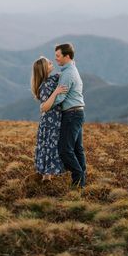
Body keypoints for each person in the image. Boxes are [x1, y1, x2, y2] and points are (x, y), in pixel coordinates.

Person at [52, 43, 87, 188]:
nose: (56, 59)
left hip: (71, 114)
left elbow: (60, 98)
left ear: (67, 56)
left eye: (58, 56)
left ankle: (78, 177)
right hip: (78, 112)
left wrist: (46, 104)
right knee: (78, 149)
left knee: (65, 150)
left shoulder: (67, 73)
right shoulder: (72, 69)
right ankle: (81, 183)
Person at [31, 56, 68, 180]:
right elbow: (45, 107)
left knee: (53, 147)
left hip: (56, 121)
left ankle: (48, 179)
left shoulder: (52, 79)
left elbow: (65, 73)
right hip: (49, 122)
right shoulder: (44, 86)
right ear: (43, 69)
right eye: (49, 63)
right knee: (49, 147)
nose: (52, 62)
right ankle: (46, 179)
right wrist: (56, 92)